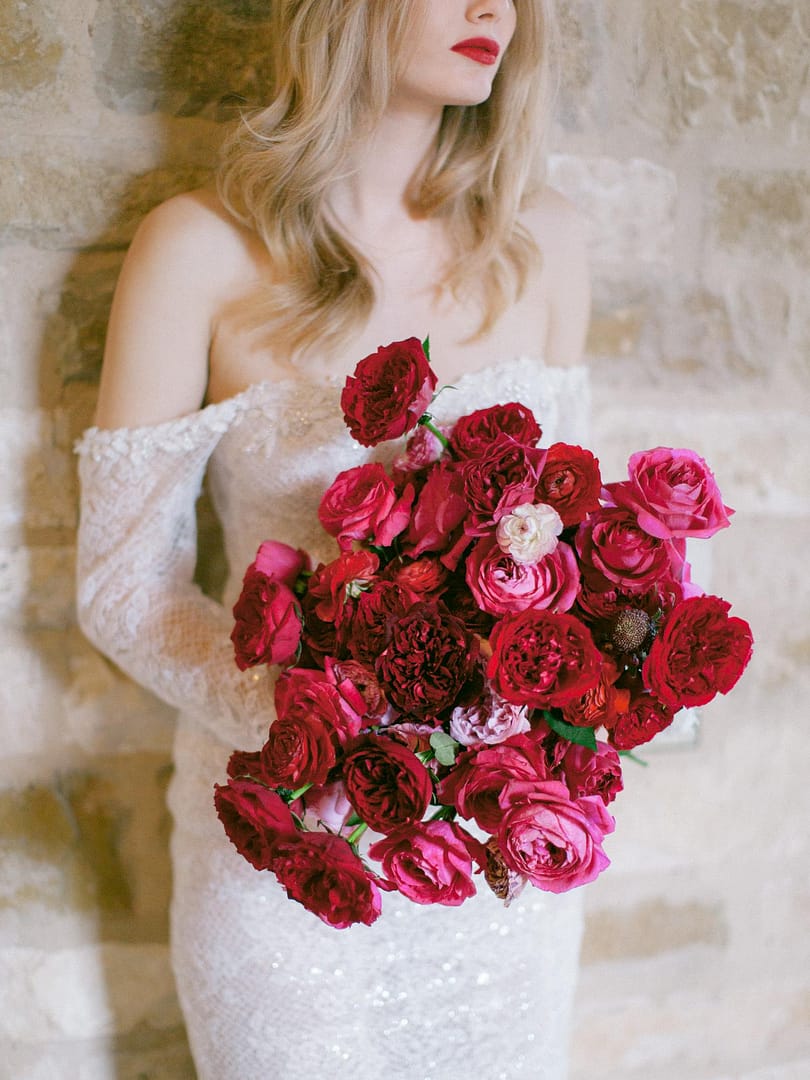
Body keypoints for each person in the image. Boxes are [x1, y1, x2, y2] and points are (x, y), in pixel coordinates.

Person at [76, 2, 591, 1077]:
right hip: (290, 859)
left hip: (499, 873)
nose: (494, 8)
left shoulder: (540, 246)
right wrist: (336, 730)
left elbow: (564, 545)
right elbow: (124, 586)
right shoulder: (202, 248)